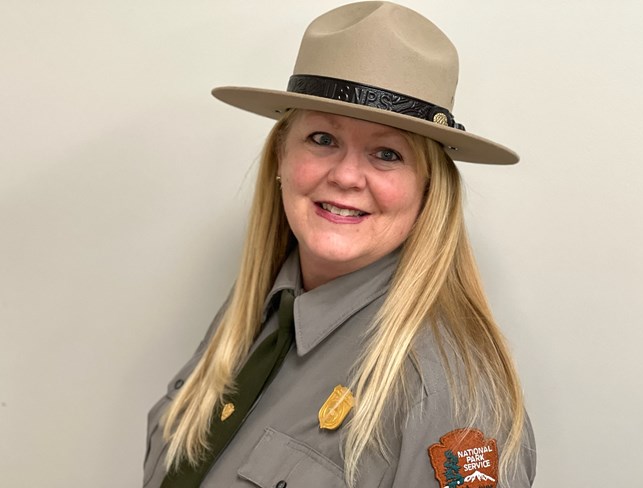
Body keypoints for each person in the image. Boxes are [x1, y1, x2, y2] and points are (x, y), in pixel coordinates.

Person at [143, 2, 536, 487]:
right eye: (323, 138)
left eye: (387, 153)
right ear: (282, 158)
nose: (347, 176)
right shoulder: (256, 314)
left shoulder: (448, 396)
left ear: (428, 190)